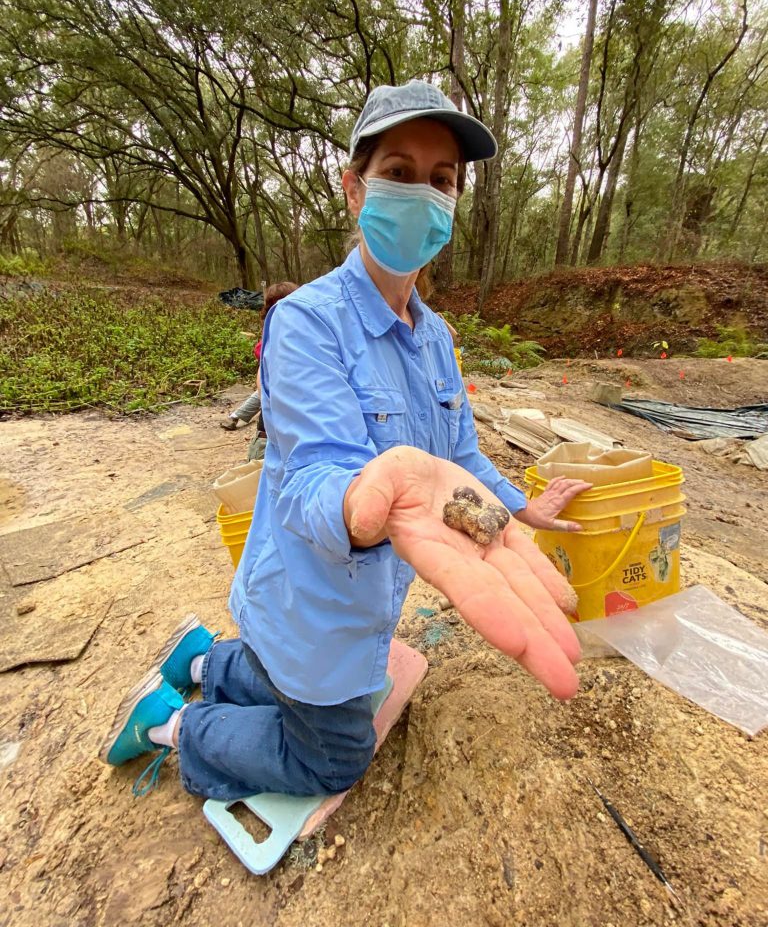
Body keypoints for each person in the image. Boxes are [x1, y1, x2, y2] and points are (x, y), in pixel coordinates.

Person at [99, 80, 590, 801]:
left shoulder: (439, 341)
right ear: (355, 189)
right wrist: (372, 496)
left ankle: (204, 664)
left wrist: (518, 505)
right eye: (398, 172)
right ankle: (173, 728)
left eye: (441, 179)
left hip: (364, 608)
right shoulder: (305, 323)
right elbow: (311, 479)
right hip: (309, 603)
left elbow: (459, 460)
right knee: (333, 758)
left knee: (277, 677)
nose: (422, 193)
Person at [220, 282, 298, 431]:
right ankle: (236, 417)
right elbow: (261, 349)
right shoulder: (279, 323)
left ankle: (236, 416)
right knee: (265, 389)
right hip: (279, 386)